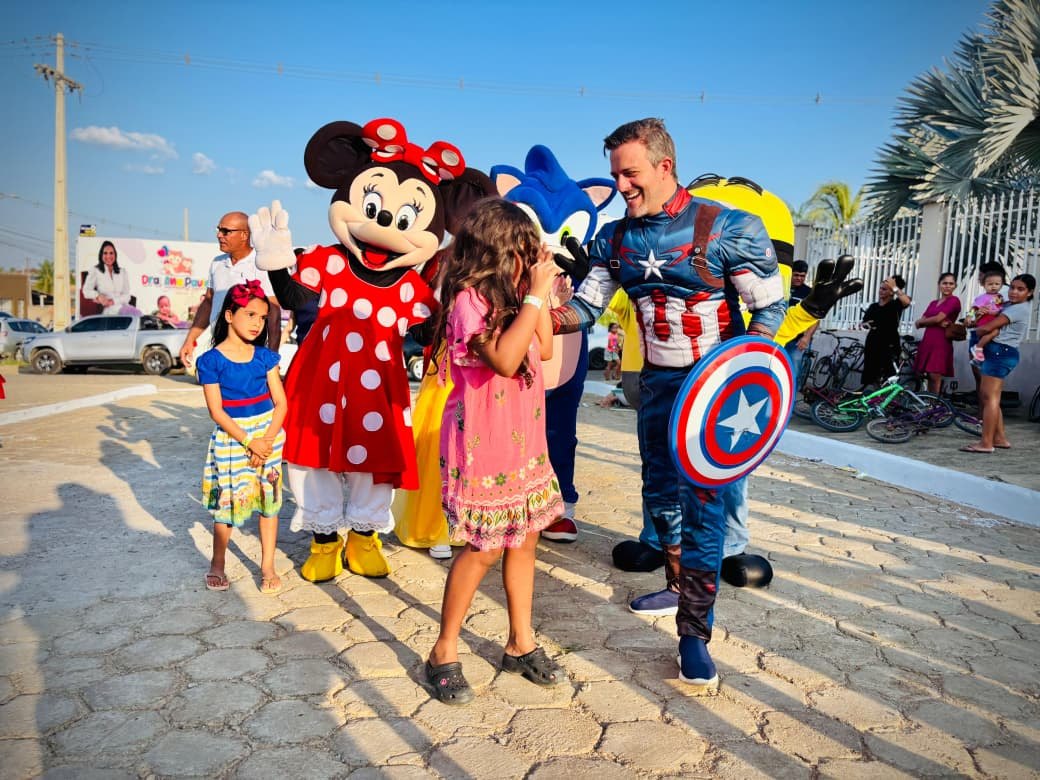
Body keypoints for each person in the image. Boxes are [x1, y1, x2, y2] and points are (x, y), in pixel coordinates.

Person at [549, 118, 786, 687]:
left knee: (705, 508)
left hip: (714, 395)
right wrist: (524, 317)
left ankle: (693, 634)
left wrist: (739, 375)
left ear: (664, 166)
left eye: (630, 173)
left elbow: (770, 314)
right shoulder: (614, 238)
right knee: (658, 491)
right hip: (655, 384)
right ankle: (679, 582)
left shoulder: (730, 227)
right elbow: (586, 311)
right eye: (614, 175)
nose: (621, 185)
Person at [424, 199, 566, 705]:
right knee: (482, 549)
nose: (530, 260)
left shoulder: (518, 297)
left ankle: (519, 643)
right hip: (484, 443)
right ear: (497, 251)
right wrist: (534, 298)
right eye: (523, 251)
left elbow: (543, 349)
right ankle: (443, 650)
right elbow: (506, 361)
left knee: (524, 540)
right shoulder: (468, 301)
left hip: (523, 439)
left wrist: (538, 296)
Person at [197, 281, 288, 594]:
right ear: (228, 315)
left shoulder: (266, 358)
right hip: (232, 437)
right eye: (249, 314)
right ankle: (218, 564)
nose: (256, 323)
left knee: (269, 501)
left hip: (269, 435)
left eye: (262, 318)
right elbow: (216, 411)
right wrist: (250, 442)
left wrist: (266, 440)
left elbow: (281, 404)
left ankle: (267, 567)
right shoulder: (210, 361)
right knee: (228, 504)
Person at [178, 212, 281, 369]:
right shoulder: (217, 263)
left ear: (244, 235)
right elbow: (208, 302)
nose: (219, 235)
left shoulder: (261, 263)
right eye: (218, 230)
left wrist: (272, 355)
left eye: (226, 231)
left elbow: (273, 311)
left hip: (250, 350)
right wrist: (190, 340)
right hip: (220, 346)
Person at [960, 273, 1035, 453]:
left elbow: (987, 328)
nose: (1014, 292)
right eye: (1013, 288)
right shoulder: (1008, 304)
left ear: (1030, 293)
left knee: (989, 398)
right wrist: (976, 317)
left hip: (1001, 352)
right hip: (997, 351)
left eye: (1021, 289)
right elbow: (980, 316)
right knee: (991, 397)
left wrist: (977, 328)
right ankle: (1000, 438)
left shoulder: (1019, 309)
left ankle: (986, 443)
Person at [965, 261, 1008, 401]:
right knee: (979, 377)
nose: (979, 278)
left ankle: (987, 412)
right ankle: (982, 413)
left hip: (994, 338)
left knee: (987, 379)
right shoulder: (982, 297)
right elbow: (969, 320)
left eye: (981, 275)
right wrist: (975, 316)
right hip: (978, 333)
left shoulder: (1005, 295)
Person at [913, 272, 961, 394]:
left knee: (935, 375)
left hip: (941, 341)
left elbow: (936, 319)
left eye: (951, 283)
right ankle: (929, 403)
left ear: (955, 286)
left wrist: (928, 322)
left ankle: (935, 404)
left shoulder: (954, 300)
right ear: (939, 285)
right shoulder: (933, 303)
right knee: (927, 375)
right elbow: (919, 322)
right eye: (945, 283)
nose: (948, 286)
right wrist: (933, 322)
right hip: (928, 339)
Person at [860, 274, 911, 388]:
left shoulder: (895, 304)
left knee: (888, 374)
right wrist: (866, 325)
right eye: (880, 288)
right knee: (872, 374)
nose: (881, 291)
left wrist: (895, 287)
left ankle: (887, 401)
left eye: (885, 289)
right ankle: (874, 400)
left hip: (889, 343)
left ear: (892, 291)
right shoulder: (873, 306)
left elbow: (907, 302)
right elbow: (864, 322)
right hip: (873, 342)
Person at [82, 241, 141, 316]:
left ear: (115, 255)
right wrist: (97, 296)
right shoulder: (95, 270)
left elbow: (127, 296)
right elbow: (86, 291)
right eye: (105, 253)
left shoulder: (122, 272)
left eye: (111, 253)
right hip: (109, 310)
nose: (108, 256)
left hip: (123, 307)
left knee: (138, 316)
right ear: (101, 255)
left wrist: (113, 301)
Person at [784, 260, 816, 385]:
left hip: (797, 341)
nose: (799, 278)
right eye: (796, 275)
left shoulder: (809, 293)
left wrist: (807, 337)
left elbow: (815, 319)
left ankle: (790, 403)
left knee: (793, 372)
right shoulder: (781, 288)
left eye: (802, 276)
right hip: (779, 337)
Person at [965, 269, 1005, 363]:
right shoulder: (982, 297)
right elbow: (973, 308)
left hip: (994, 321)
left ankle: (979, 351)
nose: (993, 286)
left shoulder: (1000, 297)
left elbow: (1000, 308)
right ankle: (978, 347)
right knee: (994, 332)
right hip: (985, 321)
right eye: (990, 284)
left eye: (997, 284)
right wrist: (970, 316)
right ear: (984, 285)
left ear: (1001, 285)